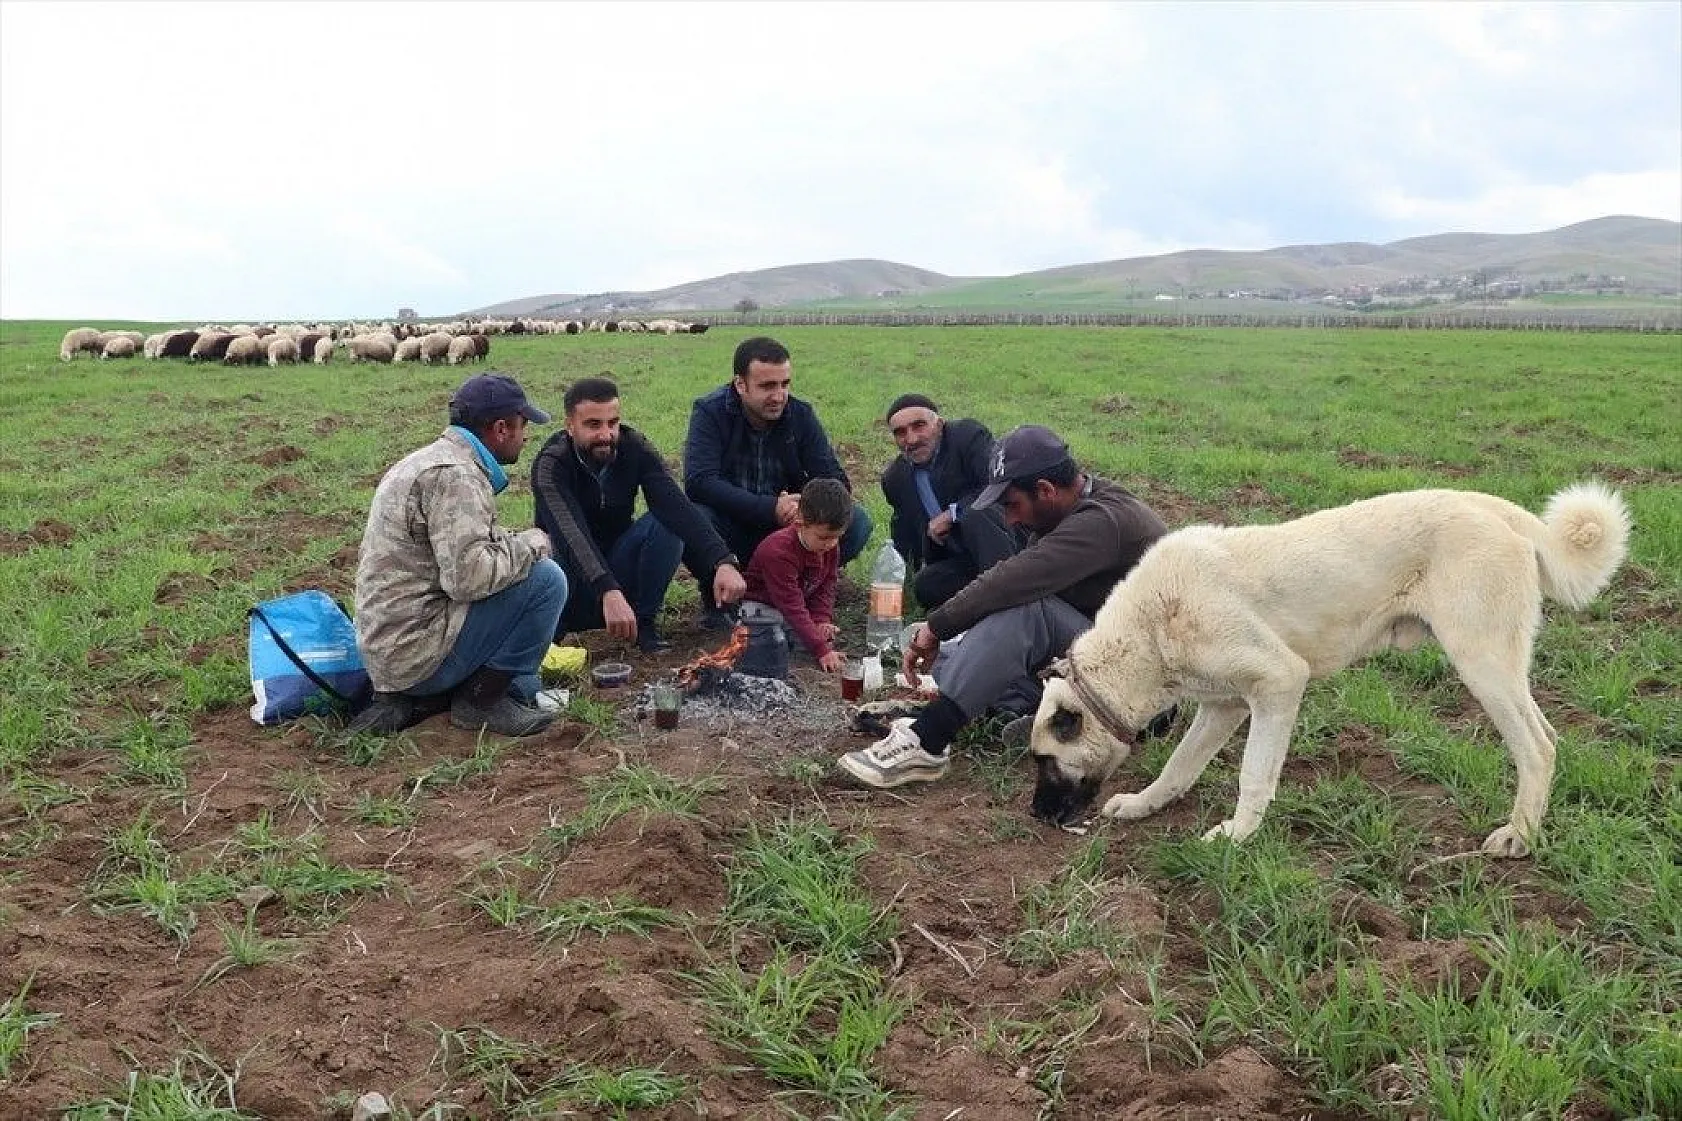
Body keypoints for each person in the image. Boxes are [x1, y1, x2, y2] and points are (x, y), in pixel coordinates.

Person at [837, 425, 1167, 789]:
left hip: (1139, 688)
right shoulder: (1071, 505)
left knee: (1022, 612)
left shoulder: (1103, 521)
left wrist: (935, 626)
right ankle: (1032, 711)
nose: (1009, 519)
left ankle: (928, 741)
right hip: (1096, 654)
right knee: (959, 655)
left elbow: (1014, 581)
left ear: (1045, 490)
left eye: (1012, 505)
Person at [349, 373, 569, 738]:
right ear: (501, 428)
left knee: (527, 672)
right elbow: (468, 578)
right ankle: (483, 703)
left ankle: (449, 693)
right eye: (522, 425)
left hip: (392, 645)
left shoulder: (430, 461)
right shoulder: (457, 478)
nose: (526, 436)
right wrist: (531, 544)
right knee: (547, 580)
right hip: (413, 653)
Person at [531, 376, 748, 654]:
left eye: (613, 423)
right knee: (550, 547)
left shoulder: (634, 447)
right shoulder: (551, 464)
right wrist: (607, 589)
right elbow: (571, 535)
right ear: (570, 426)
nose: (606, 434)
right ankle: (551, 634)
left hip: (619, 563)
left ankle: (643, 623)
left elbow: (676, 504)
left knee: (665, 522)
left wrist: (722, 560)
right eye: (593, 425)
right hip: (569, 580)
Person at [683, 336, 872, 625]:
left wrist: (805, 507)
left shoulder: (800, 415)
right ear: (740, 385)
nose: (779, 395)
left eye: (784, 384)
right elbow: (699, 481)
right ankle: (721, 596)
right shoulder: (711, 412)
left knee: (856, 521)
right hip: (731, 528)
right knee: (691, 518)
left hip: (787, 531)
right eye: (767, 386)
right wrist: (769, 507)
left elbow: (835, 479)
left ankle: (800, 588)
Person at [879, 393, 1024, 611]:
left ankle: (1012, 604)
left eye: (919, 426)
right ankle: (983, 607)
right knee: (927, 585)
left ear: (939, 424)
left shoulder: (966, 437)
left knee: (977, 513)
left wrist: (953, 514)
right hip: (963, 559)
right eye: (900, 433)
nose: (911, 439)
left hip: (1008, 543)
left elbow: (997, 486)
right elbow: (904, 534)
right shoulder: (895, 478)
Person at [737, 478, 852, 676]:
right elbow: (791, 605)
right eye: (823, 537)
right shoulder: (778, 551)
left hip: (795, 607)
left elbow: (826, 585)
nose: (830, 544)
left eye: (837, 537)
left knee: (817, 636)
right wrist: (821, 649)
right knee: (770, 639)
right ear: (800, 524)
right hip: (762, 607)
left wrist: (821, 619)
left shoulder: (830, 547)